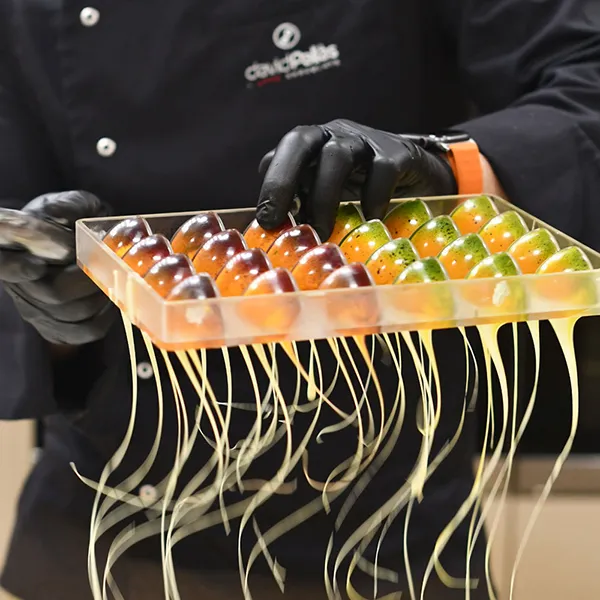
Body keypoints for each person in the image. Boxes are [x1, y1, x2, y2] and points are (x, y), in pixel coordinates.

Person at [0, 0, 599, 598]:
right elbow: (18, 219)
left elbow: (586, 78)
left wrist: (455, 170)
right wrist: (51, 304)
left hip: (376, 526)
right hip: (100, 525)